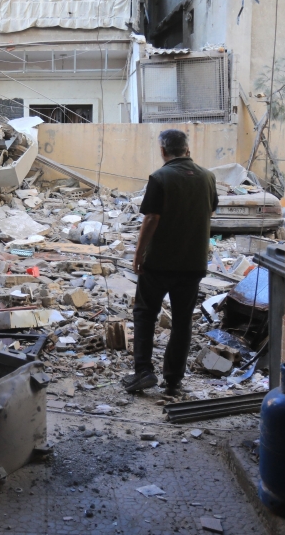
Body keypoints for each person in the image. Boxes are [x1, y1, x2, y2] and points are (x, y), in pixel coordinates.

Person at [122, 129, 218, 396]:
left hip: (160, 262)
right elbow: (209, 210)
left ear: (163, 151)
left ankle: (143, 371)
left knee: (145, 315)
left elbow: (151, 218)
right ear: (187, 150)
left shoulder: (160, 177)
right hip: (193, 263)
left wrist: (139, 254)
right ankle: (173, 381)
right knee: (183, 321)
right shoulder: (208, 177)